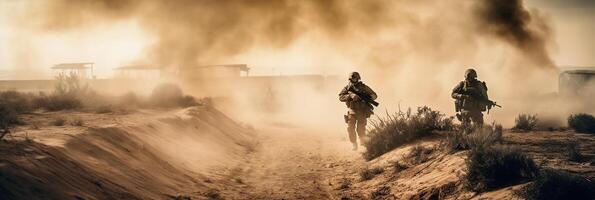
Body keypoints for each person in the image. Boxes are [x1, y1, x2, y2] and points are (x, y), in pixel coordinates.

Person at [339, 72, 377, 150]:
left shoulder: (364, 87)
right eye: (352, 78)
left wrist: (366, 98)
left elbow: (374, 95)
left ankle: (363, 142)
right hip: (352, 111)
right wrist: (350, 96)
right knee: (350, 129)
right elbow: (340, 97)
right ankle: (354, 143)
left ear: (358, 78)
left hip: (362, 111)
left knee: (361, 129)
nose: (353, 79)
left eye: (355, 78)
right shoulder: (347, 88)